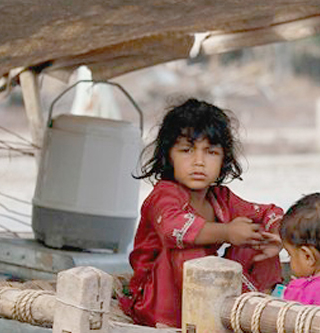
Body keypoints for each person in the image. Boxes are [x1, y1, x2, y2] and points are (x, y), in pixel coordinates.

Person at [120, 98, 283, 327]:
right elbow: (172, 230)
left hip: (208, 291)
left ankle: (260, 305)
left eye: (211, 152)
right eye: (187, 150)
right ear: (169, 156)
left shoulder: (221, 198)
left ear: (223, 158)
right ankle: (232, 311)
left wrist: (275, 236)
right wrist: (227, 231)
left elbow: (269, 213)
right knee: (186, 247)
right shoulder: (164, 195)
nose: (199, 162)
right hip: (157, 301)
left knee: (258, 238)